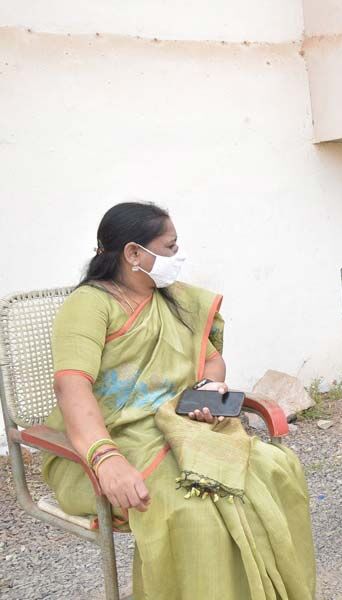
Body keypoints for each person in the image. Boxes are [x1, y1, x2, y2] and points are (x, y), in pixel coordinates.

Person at [43, 202, 316, 599]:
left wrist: (206, 388)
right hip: (111, 442)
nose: (178, 256)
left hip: (182, 427)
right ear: (134, 253)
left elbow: (212, 361)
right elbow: (72, 387)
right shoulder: (89, 305)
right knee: (194, 512)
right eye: (170, 247)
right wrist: (107, 460)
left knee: (274, 472)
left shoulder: (174, 299)